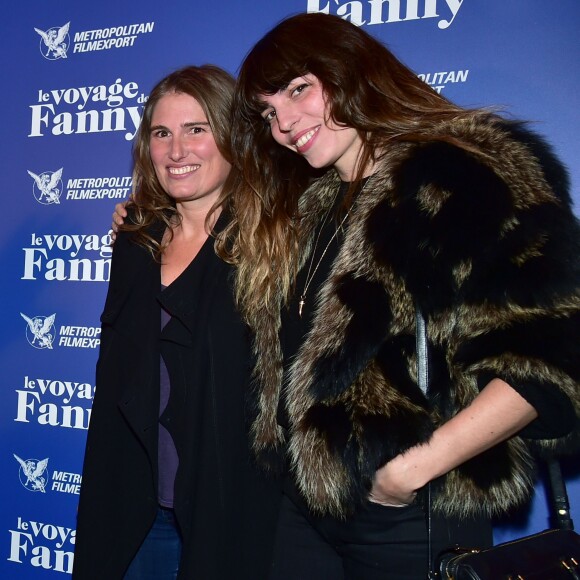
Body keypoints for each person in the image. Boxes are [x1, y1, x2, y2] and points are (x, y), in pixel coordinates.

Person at [217, 12, 580, 579]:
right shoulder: (316, 204)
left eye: (297, 90)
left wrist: (413, 470)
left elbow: (549, 359)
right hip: (308, 504)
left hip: (410, 513)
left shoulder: (463, 172)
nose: (284, 124)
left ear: (351, 71)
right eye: (268, 112)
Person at [73, 65, 280, 580]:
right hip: (134, 512)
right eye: (161, 133)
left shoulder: (271, 243)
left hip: (232, 513)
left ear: (232, 136)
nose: (176, 150)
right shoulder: (136, 240)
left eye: (196, 129)